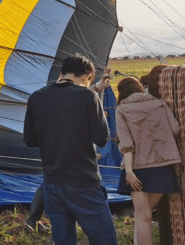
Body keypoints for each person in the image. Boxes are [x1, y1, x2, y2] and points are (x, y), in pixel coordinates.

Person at [23, 55, 117, 245]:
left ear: (62, 73)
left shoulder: (36, 97)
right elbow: (102, 138)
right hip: (84, 183)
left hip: (52, 185)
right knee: (105, 240)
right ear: (88, 77)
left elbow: (30, 140)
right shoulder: (88, 96)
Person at [115, 76, 182, 245]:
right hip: (163, 165)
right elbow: (175, 128)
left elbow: (127, 145)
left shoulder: (122, 109)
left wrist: (129, 172)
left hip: (137, 167)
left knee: (142, 217)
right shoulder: (159, 104)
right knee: (142, 216)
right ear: (139, 88)